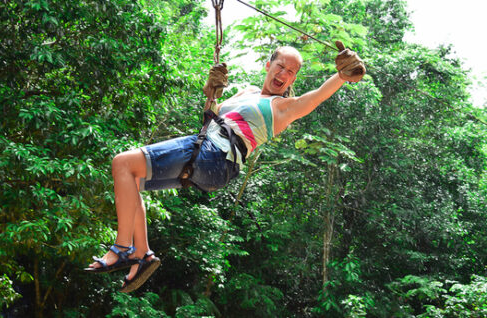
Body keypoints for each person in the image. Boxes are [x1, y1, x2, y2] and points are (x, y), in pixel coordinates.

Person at [85, 41, 365, 293]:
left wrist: (340, 76)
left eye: (291, 72)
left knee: (122, 162)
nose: (284, 74)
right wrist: (212, 92)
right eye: (281, 66)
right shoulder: (247, 91)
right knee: (130, 180)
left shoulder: (282, 107)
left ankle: (122, 248)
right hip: (209, 156)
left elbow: (313, 98)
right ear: (268, 66)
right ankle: (143, 253)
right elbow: (212, 117)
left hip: (216, 157)